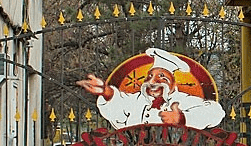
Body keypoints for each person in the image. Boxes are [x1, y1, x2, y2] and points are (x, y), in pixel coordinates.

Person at [77, 48, 225, 131]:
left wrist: (183, 119)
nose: (153, 82)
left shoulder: (183, 100)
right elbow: (118, 105)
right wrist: (105, 91)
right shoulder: (137, 99)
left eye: (161, 77)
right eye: (150, 76)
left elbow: (215, 112)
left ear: (173, 83)